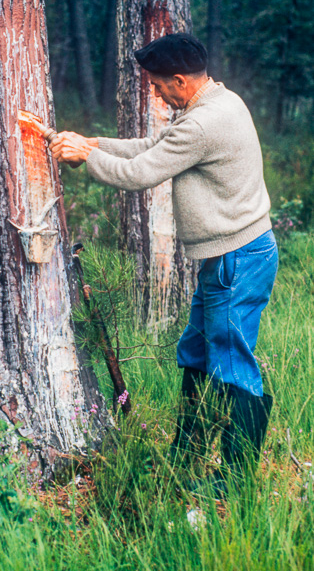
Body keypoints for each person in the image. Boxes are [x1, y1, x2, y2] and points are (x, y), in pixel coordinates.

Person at [51, 33, 275, 496]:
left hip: (238, 259)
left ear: (179, 80)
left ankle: (234, 483)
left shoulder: (204, 123)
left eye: (156, 86)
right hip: (231, 257)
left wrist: (86, 158)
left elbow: (142, 173)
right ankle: (188, 454)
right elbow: (154, 145)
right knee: (196, 354)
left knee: (232, 365)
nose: (154, 93)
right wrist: (93, 142)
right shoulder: (217, 102)